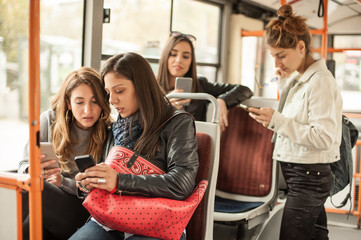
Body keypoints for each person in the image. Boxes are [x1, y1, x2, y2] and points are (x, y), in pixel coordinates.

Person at [69, 52, 199, 240]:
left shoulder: (178, 122)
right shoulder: (116, 127)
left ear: (142, 87)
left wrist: (119, 181)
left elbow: (182, 184)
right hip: (111, 217)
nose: (112, 100)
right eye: (108, 93)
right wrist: (90, 183)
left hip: (157, 221)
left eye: (119, 91)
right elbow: (108, 172)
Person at [248, 4, 343, 240]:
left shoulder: (320, 81)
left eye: (281, 55)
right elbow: (298, 118)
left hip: (309, 177)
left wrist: (276, 121)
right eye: (273, 57)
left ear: (301, 47)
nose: (277, 64)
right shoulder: (300, 79)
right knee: (316, 236)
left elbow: (323, 137)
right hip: (302, 175)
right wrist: (283, 85)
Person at [18, 67, 112, 240]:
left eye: (94, 101)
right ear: (68, 103)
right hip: (49, 206)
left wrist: (63, 183)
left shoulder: (109, 132)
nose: (87, 111)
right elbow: (23, 164)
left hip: (85, 211)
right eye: (79, 102)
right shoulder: (49, 120)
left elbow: (101, 189)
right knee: (31, 224)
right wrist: (31, 169)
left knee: (37, 190)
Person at [157, 31, 253, 130]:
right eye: (173, 54)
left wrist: (223, 100)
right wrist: (166, 107)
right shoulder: (151, 86)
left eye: (186, 56)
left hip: (195, 142)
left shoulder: (201, 84)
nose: (178, 60)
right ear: (165, 57)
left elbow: (245, 90)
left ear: (191, 61)